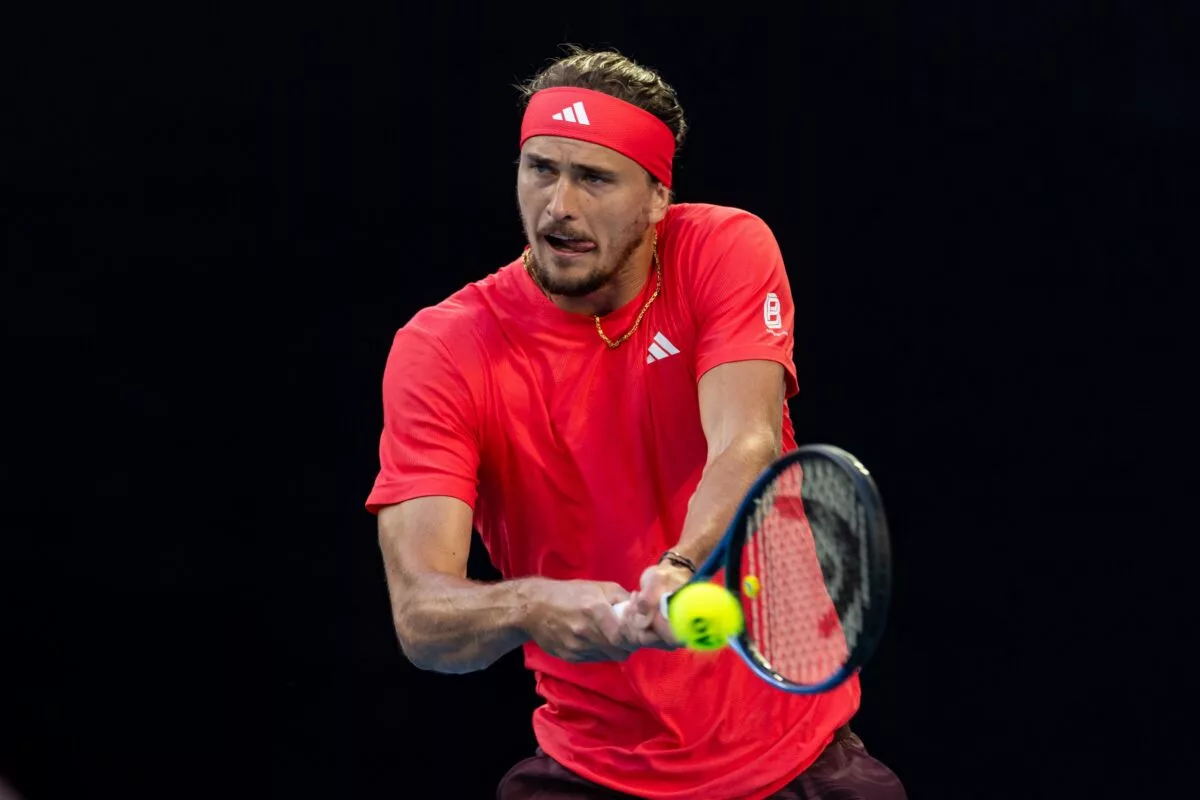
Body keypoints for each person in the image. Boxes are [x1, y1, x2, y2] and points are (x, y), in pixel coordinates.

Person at [365, 46, 906, 800]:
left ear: (657, 197)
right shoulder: (442, 349)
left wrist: (680, 566)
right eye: (540, 169)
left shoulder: (723, 248)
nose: (559, 206)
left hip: (804, 764)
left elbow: (745, 441)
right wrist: (530, 604)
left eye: (594, 178)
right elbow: (423, 619)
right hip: (592, 774)